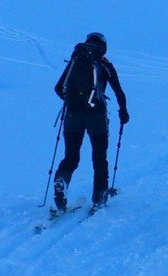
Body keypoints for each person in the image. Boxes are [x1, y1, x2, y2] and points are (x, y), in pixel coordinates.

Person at [53, 32, 129, 210]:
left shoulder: (76, 60)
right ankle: (99, 196)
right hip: (97, 117)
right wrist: (123, 111)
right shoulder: (104, 64)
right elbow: (119, 91)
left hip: (72, 116)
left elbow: (58, 88)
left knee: (71, 157)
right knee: (99, 158)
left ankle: (61, 181)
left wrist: (72, 101)